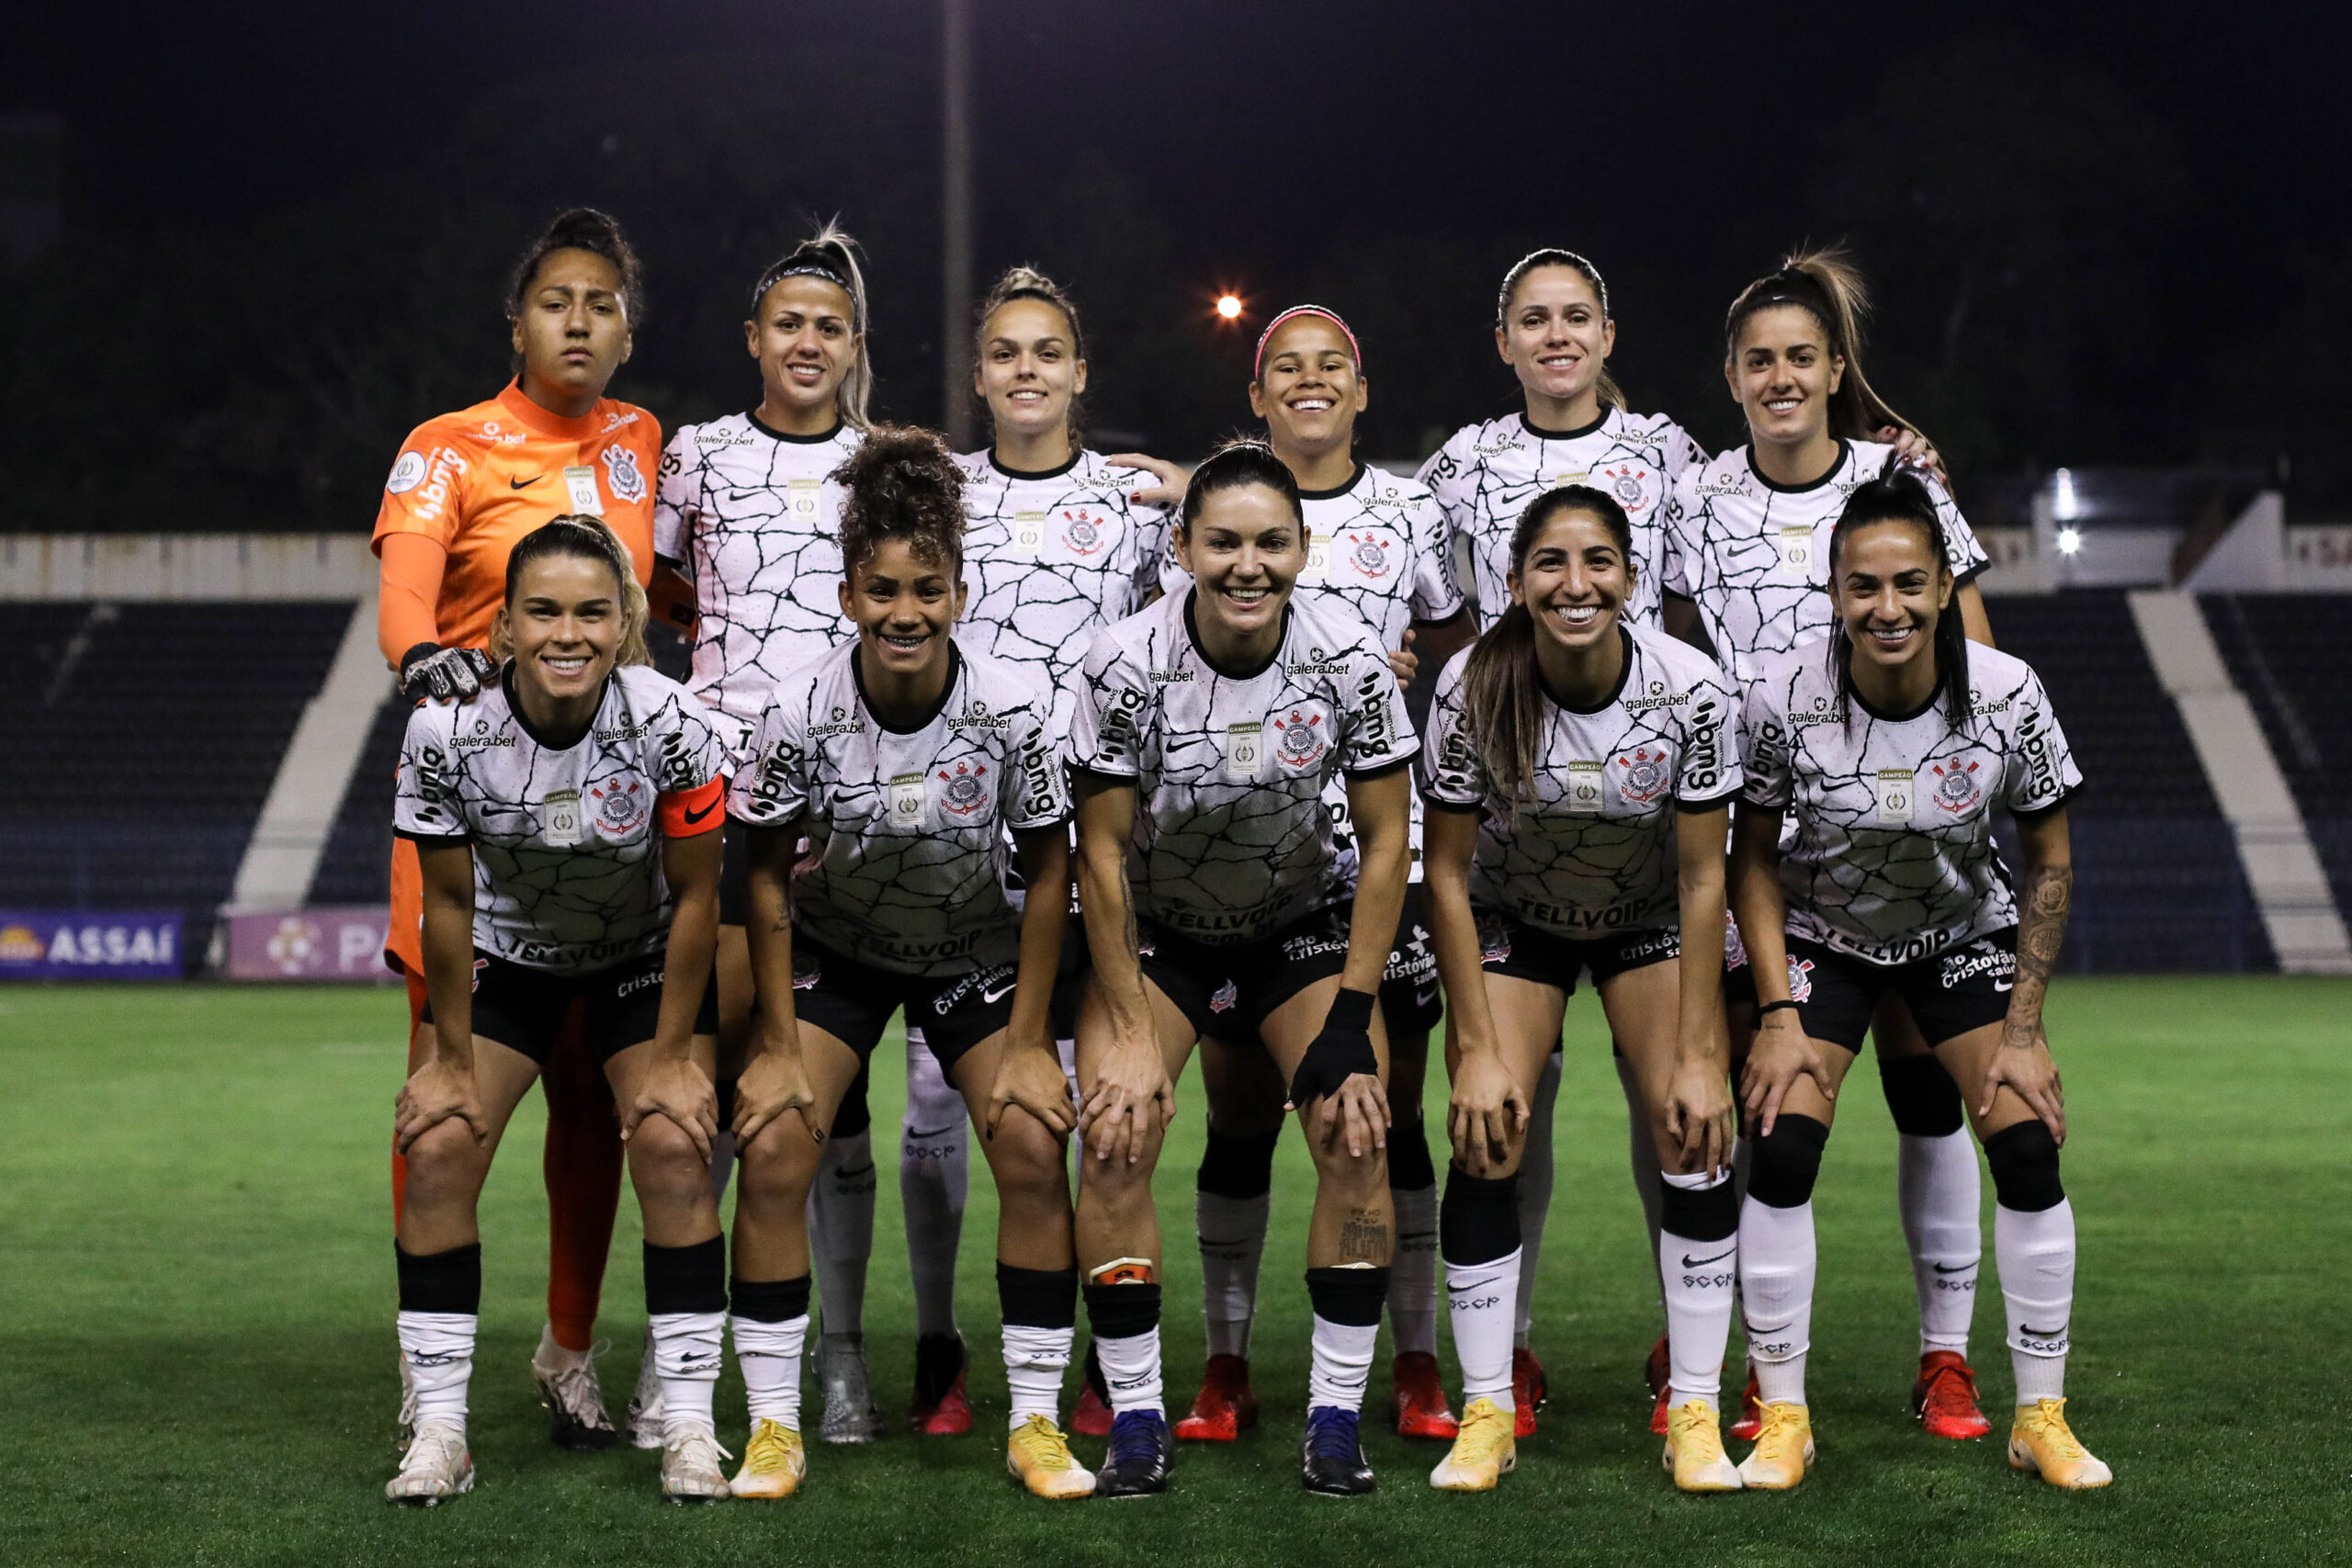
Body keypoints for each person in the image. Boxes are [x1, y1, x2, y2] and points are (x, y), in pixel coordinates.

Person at [1662, 247, 2002, 1443]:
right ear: (1731, 376)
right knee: (1765, 1110)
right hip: (1766, 862)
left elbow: (1977, 644)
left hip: (1903, 851)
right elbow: (1672, 654)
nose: (1780, 376)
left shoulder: (1896, 480)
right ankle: (1752, 1356)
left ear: (1834, 367)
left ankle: (1945, 1356)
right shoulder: (1695, 502)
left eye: (1801, 356)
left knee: (1927, 1099)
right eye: (1759, 359)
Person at [722, 426, 1094, 1500]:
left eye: (926, 588)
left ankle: (1032, 1423)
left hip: (968, 947)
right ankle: (774, 1428)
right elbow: (761, 873)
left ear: (959, 594)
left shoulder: (1012, 707)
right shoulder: (798, 711)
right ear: (847, 597)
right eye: (881, 589)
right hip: (837, 949)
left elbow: (1049, 866)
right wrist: (781, 1046)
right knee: (780, 1143)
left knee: (1029, 1140)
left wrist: (1028, 1044)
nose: (903, 611)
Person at [1727, 470, 2108, 1492]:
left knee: (2025, 1142)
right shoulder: (1782, 692)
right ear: (1834, 591)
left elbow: (2050, 858)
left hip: (1955, 932)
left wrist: (2022, 1028)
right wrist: (1773, 1012)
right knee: (1779, 1145)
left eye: (1907, 583)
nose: (1884, 608)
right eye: (1862, 586)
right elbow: (1749, 859)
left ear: (1943, 586)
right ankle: (1783, 1417)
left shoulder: (2006, 691)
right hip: (1823, 934)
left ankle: (2041, 1416)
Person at [1066, 440, 1419, 1497]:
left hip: (1294, 928)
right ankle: (1134, 1417)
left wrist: (1354, 1016)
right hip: (1164, 935)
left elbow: (1389, 838)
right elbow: (1102, 852)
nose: (1247, 564)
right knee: (1117, 1135)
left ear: (1303, 550)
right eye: (1222, 542)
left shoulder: (1348, 654)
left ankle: (1332, 1418)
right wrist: (1126, 1029)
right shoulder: (1124, 662)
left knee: (1358, 1126)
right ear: (1182, 549)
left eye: (1271, 541)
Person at [372, 209, 662, 1450]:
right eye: (558, 300)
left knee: (592, 1109)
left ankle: (570, 1351)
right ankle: (427, 1377)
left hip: (608, 830)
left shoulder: (647, 443)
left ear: (628, 328)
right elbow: (405, 591)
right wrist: (425, 663)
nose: (581, 320)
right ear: (519, 321)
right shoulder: (448, 445)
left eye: (602, 302)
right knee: (447, 1096)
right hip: (474, 826)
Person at [1159, 305, 1475, 1445]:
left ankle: (1417, 1360)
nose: (1307, 381)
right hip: (1242, 866)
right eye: (1282, 367)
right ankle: (1227, 1364)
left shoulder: (1406, 511)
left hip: (1368, 869)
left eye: (1329, 364)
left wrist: (1405, 680)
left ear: (1361, 385)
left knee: (1384, 1113)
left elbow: (1456, 643)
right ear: (1256, 395)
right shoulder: (1215, 503)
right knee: (1238, 1113)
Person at [385, 516, 729, 1504]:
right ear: (505, 626)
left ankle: (691, 1433)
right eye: (542, 611)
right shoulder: (446, 729)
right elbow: (447, 903)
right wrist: (449, 1060)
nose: (567, 633)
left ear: (625, 622)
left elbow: (699, 897)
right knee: (441, 1143)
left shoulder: (673, 722)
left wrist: (671, 1058)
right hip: (508, 959)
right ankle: (441, 1433)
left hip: (635, 958)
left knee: (670, 1141)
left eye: (592, 611)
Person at [1418, 484, 1745, 1494]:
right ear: (1515, 584)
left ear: (1630, 580)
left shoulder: (1688, 688)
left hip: (1646, 919)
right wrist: (1473, 1048)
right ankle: (1484, 1412)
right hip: (1518, 917)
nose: (1576, 582)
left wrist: (1699, 1055)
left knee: (1691, 1132)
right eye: (1551, 564)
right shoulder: (1472, 686)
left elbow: (1703, 877)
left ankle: (1693, 1406)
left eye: (1598, 561)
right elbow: (1443, 873)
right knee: (1486, 1130)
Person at [648, 225, 896, 1445]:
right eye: (788, 323)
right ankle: (681, 1349)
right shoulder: (696, 458)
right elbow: (657, 595)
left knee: (822, 1100)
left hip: (849, 815)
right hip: (724, 807)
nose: (808, 342)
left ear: (856, 347)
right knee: (709, 1075)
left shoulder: (891, 463)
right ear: (755, 339)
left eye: (830, 326)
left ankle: (837, 1358)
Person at [954, 265, 1180, 1435]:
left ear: (1079, 373)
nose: (1027, 370)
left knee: (1103, 1113)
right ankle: (940, 1355)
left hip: (1096, 846)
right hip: (957, 847)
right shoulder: (937, 495)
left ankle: (1106, 1365)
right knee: (945, 1121)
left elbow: (1255, 576)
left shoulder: (1138, 507)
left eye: (1048, 352)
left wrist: (1194, 493)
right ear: (979, 374)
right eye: (1005, 353)